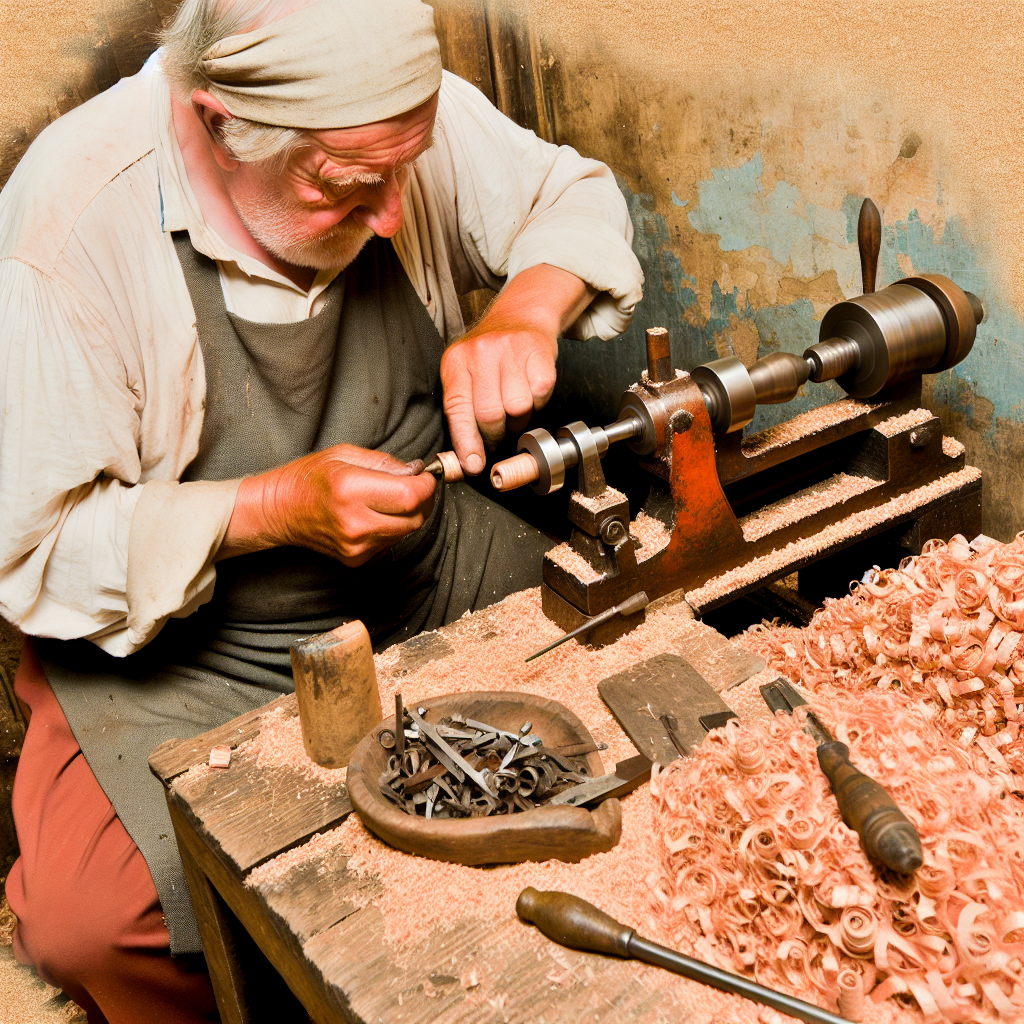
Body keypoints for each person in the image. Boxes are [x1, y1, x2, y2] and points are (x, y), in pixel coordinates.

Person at [0, 0, 643, 1019]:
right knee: (93, 920)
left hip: (427, 565)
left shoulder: (380, 116)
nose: (394, 210)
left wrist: (527, 305)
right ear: (215, 122)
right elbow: (34, 549)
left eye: (406, 168)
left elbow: (568, 197)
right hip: (197, 643)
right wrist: (270, 508)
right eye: (344, 185)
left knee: (632, 703)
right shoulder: (69, 222)